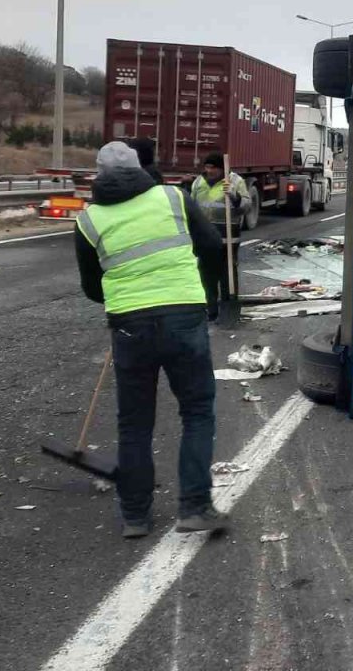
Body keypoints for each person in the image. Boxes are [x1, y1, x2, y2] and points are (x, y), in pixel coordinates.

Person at [74, 141, 228, 538]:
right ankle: (194, 506)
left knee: (134, 423)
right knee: (196, 411)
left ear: (99, 174)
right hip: (184, 315)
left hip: (129, 323)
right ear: (139, 167)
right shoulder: (173, 198)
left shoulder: (89, 220)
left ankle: (135, 516)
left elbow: (92, 287)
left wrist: (127, 296)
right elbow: (212, 245)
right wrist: (204, 291)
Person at [190, 151, 251, 318]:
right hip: (205, 239)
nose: (209, 171)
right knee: (206, 275)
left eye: (213, 168)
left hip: (228, 238)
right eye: (207, 167)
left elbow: (246, 206)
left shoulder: (235, 181)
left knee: (227, 275)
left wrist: (234, 197)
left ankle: (227, 308)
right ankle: (211, 309)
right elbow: (192, 206)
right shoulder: (198, 182)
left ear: (222, 169)